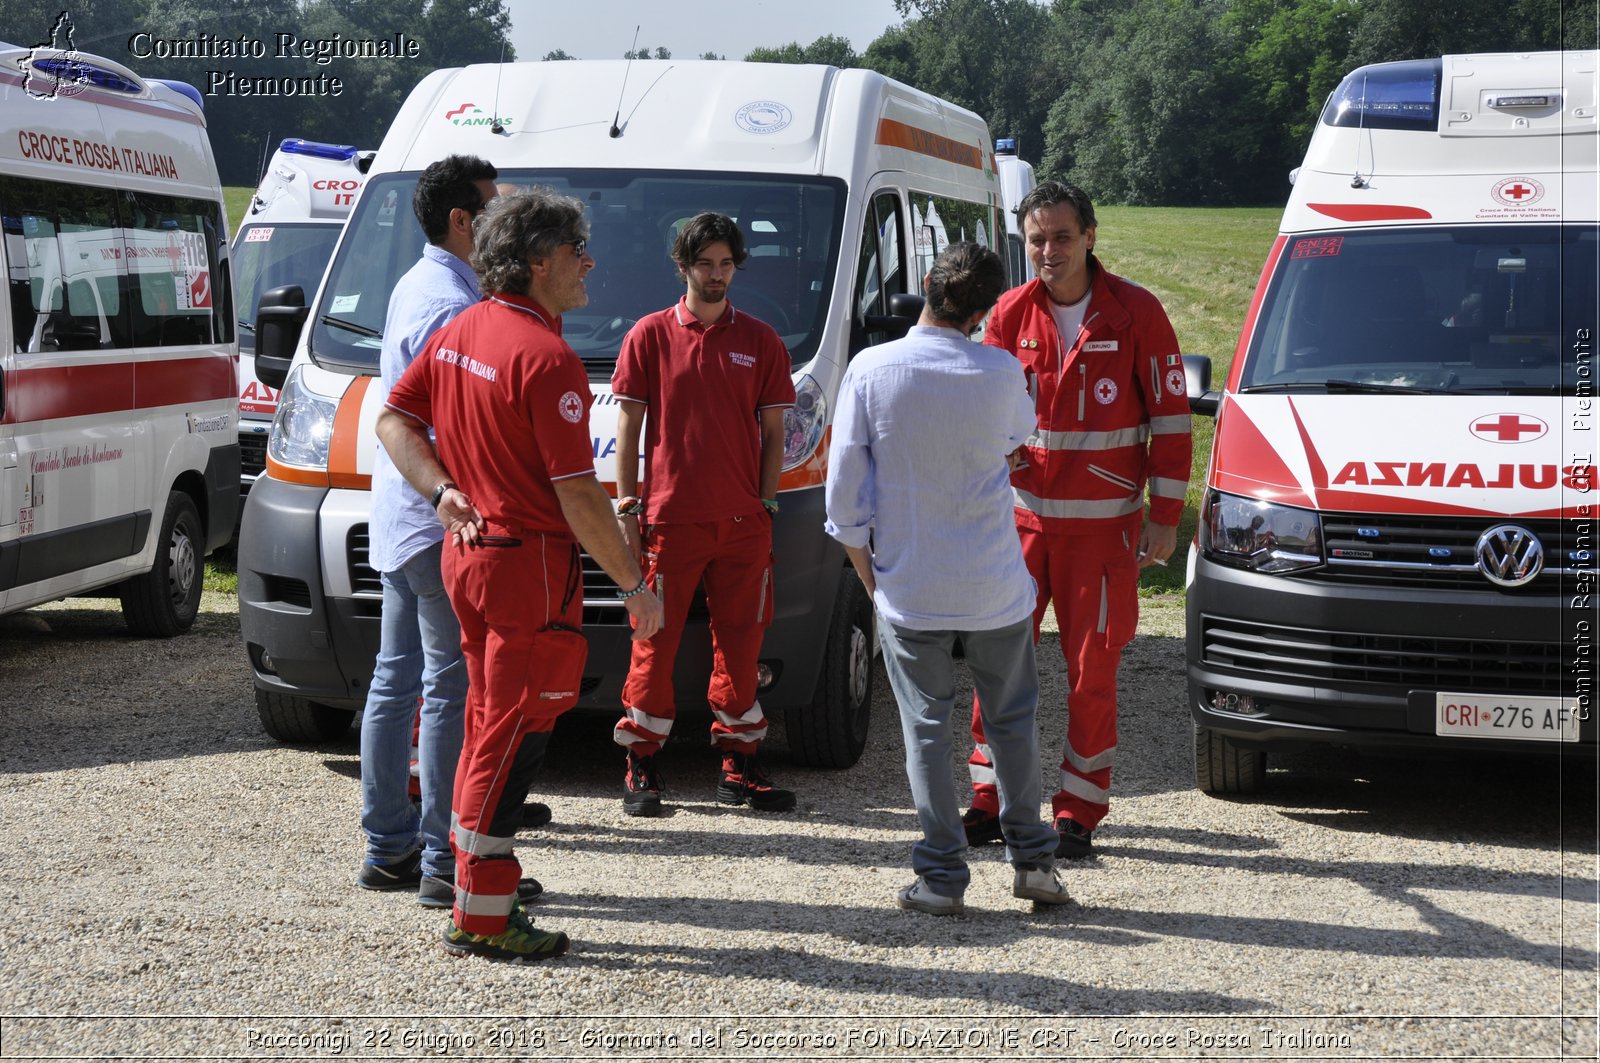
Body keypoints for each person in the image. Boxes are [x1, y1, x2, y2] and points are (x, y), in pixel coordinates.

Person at [377, 188, 664, 963]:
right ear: (539, 262)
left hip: (470, 558)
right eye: (578, 250)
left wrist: (439, 492)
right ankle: (480, 910)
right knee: (510, 737)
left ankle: (473, 890)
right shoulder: (547, 356)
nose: (589, 264)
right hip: (526, 569)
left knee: (484, 725)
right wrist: (636, 585)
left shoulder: (464, 327)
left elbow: (393, 419)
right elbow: (578, 494)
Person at [824, 242, 1069, 914]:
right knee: (1013, 723)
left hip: (912, 586)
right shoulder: (1000, 371)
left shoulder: (871, 369)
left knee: (925, 728)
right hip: (994, 583)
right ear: (986, 309)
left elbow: (844, 498)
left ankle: (941, 876)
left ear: (926, 285)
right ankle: (1034, 864)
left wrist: (872, 581)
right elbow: (1022, 435)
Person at [962, 182, 1192, 860]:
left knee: (1093, 672)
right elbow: (982, 415)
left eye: (1061, 236)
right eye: (1036, 239)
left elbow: (1173, 425)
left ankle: (1079, 810)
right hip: (1020, 530)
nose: (1048, 250)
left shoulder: (1136, 312)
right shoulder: (1008, 313)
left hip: (1103, 534)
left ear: (1090, 235)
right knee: (999, 665)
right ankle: (991, 799)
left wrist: (1166, 517)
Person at [357, 154, 543, 909]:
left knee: (397, 679)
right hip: (442, 518)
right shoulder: (451, 303)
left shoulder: (419, 283)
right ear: (462, 221)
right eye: (492, 211)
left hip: (407, 515)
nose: (500, 224)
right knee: (446, 687)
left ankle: (389, 846)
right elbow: (448, 419)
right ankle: (442, 855)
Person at [608, 212, 797, 817]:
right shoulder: (649, 335)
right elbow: (629, 426)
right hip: (669, 519)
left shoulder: (762, 340)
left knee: (742, 642)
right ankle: (642, 761)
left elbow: (774, 434)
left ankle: (739, 764)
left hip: (744, 524)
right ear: (683, 266)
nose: (716, 275)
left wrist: (766, 503)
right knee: (653, 641)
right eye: (704, 264)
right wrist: (628, 506)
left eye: (725, 263)